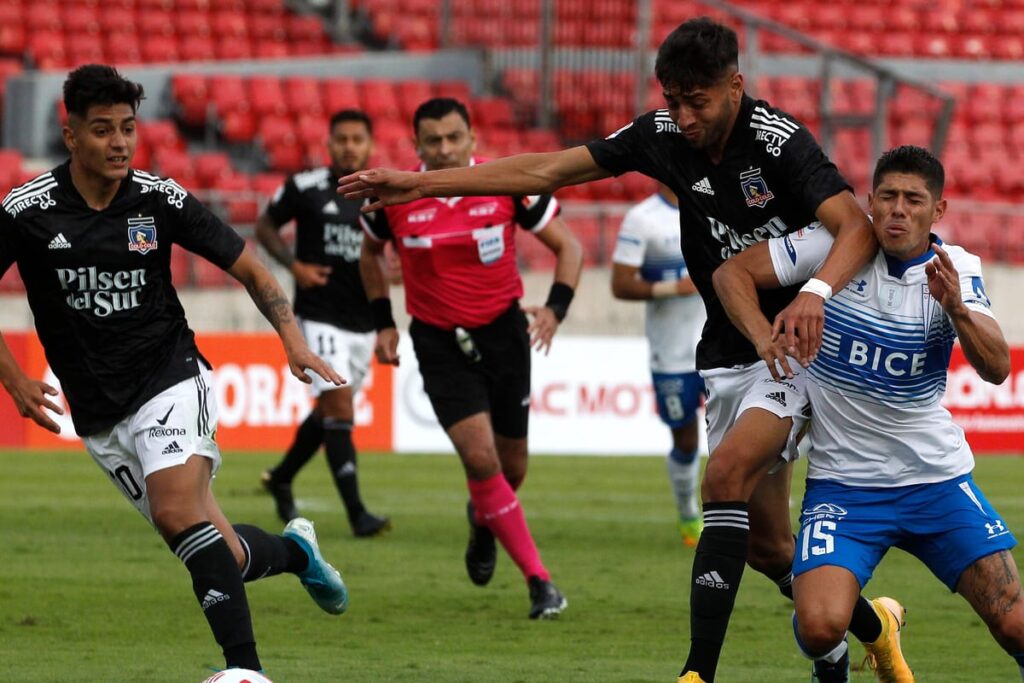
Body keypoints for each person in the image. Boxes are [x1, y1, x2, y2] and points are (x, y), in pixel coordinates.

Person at [339, 18, 902, 682]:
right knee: (768, 546)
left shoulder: (777, 142)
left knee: (721, 479)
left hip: (799, 344)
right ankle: (870, 629)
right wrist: (422, 184)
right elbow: (547, 168)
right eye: (672, 99)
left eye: (698, 100)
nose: (683, 116)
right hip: (729, 341)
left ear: (735, 86)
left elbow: (855, 228)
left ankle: (700, 671)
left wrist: (815, 291)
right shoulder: (660, 135)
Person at [0, 64, 349, 674]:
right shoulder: (28, 210)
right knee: (217, 551)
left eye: (128, 128)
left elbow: (252, 269)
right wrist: (15, 378)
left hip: (170, 374)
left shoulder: (160, 199)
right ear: (71, 135)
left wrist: (292, 340)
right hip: (99, 409)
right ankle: (296, 553)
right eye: (102, 129)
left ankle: (245, 669)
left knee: (176, 513)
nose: (118, 143)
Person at [713, 145, 1024, 681]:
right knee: (818, 625)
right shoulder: (827, 249)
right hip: (844, 486)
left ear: (938, 211)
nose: (898, 210)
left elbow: (996, 368)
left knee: (1015, 625)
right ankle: (843, 655)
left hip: (936, 480)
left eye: (913, 199)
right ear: (871, 203)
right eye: (887, 197)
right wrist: (766, 338)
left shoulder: (957, 269)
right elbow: (731, 273)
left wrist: (955, 309)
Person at [358, 97, 582, 619]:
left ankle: (483, 520)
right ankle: (540, 582)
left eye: (453, 138)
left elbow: (568, 248)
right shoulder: (393, 193)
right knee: (481, 460)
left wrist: (555, 310)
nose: (444, 149)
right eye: (432, 141)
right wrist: (383, 322)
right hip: (438, 342)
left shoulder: (508, 182)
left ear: (472, 139)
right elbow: (370, 256)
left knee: (512, 468)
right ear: (416, 146)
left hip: (504, 336)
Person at [256, 109, 390, 538]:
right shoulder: (307, 186)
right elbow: (264, 226)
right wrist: (293, 266)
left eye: (358, 139)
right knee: (339, 406)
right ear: (330, 145)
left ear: (370, 145)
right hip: (318, 315)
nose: (350, 146)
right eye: (342, 139)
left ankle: (281, 477)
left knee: (330, 412)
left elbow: (386, 250)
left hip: (363, 319)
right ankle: (358, 515)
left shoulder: (383, 194)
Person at [610, 182, 707, 547]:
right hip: (672, 353)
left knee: (742, 435)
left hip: (723, 347)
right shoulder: (642, 219)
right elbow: (620, 284)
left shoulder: (715, 202)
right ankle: (687, 514)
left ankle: (741, 517)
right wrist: (673, 288)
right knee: (685, 438)